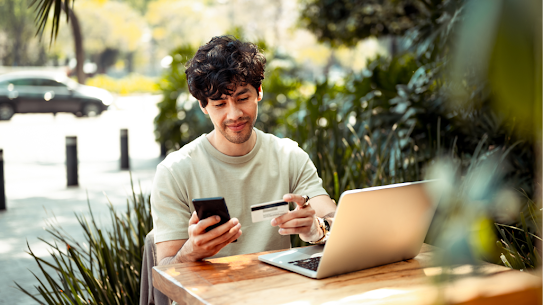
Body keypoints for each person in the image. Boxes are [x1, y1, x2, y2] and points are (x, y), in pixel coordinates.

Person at [151, 35, 337, 266]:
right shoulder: (175, 171)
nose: (234, 114)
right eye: (219, 104)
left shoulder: (289, 156)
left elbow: (336, 222)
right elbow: (165, 270)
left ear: (259, 92)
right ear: (204, 106)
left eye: (243, 98)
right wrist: (190, 251)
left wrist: (317, 229)